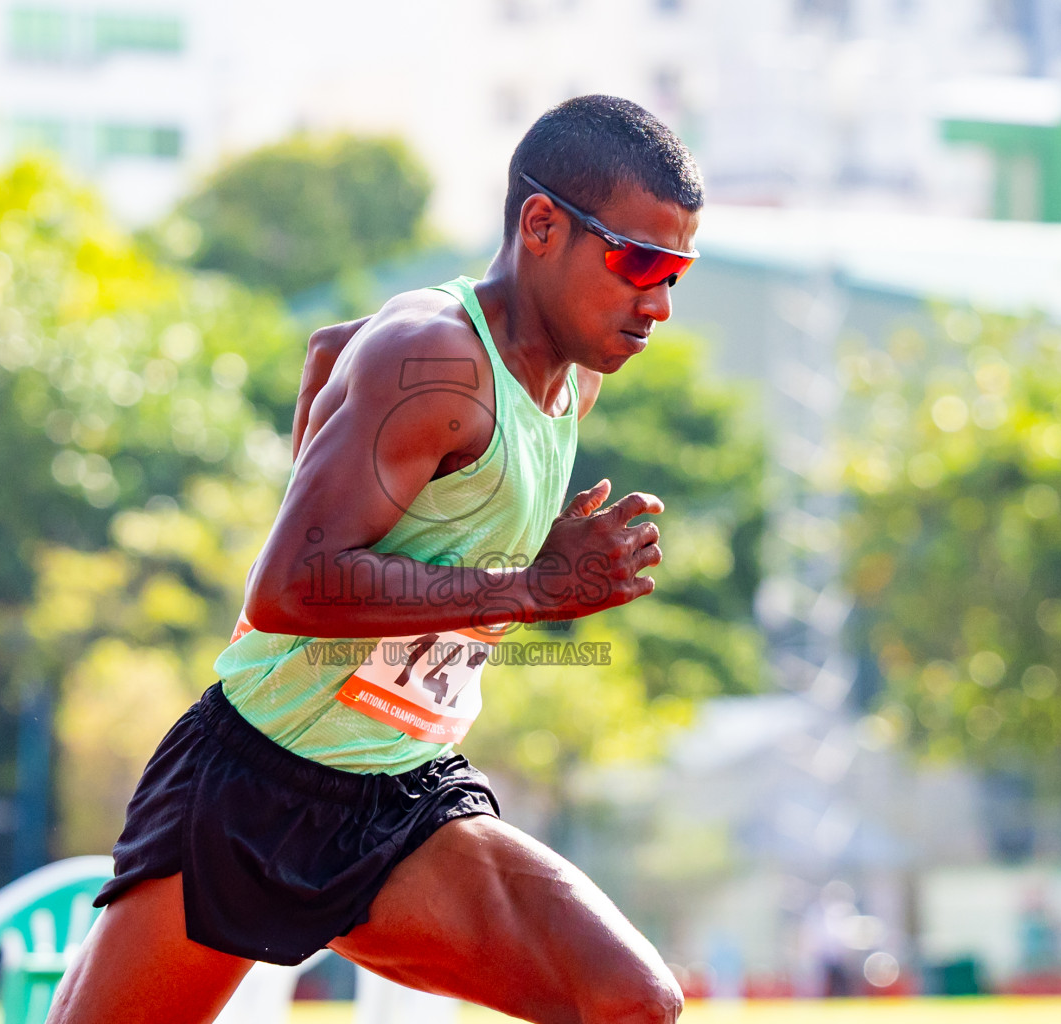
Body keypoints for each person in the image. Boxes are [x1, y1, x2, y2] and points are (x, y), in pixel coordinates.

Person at [47, 94, 703, 1024]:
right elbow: (288, 588)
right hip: (257, 785)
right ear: (542, 225)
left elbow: (330, 352)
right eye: (638, 261)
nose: (660, 303)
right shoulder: (436, 358)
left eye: (678, 271)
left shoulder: (570, 382)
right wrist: (529, 589)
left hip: (403, 793)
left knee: (633, 1003)